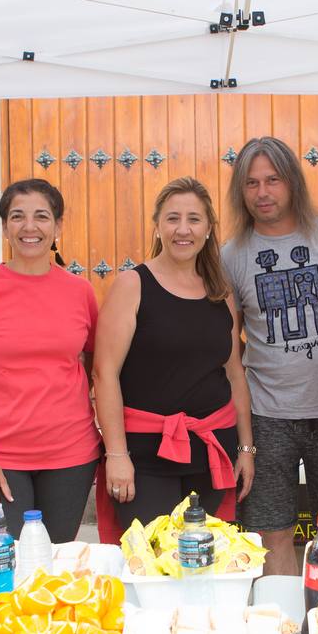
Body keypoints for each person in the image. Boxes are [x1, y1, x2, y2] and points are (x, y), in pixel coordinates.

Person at [221, 136, 318, 575]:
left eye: (273, 180)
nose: (263, 192)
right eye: (251, 183)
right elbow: (229, 341)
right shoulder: (231, 256)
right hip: (268, 414)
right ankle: (282, 624)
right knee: (271, 532)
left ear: (292, 183)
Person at [0, 178, 101, 543]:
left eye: (42, 217)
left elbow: (94, 366)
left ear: (58, 226)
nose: (30, 227)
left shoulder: (80, 292)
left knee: (55, 570)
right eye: (18, 217)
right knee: (4, 570)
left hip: (70, 457)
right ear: (4, 226)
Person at [93, 176, 255, 531]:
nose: (184, 229)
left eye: (194, 219)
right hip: (145, 456)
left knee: (204, 562)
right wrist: (116, 454)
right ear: (157, 226)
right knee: (152, 564)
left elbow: (233, 374)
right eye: (172, 218)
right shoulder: (132, 285)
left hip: (212, 450)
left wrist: (245, 448)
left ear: (210, 228)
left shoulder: (220, 293)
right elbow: (105, 374)